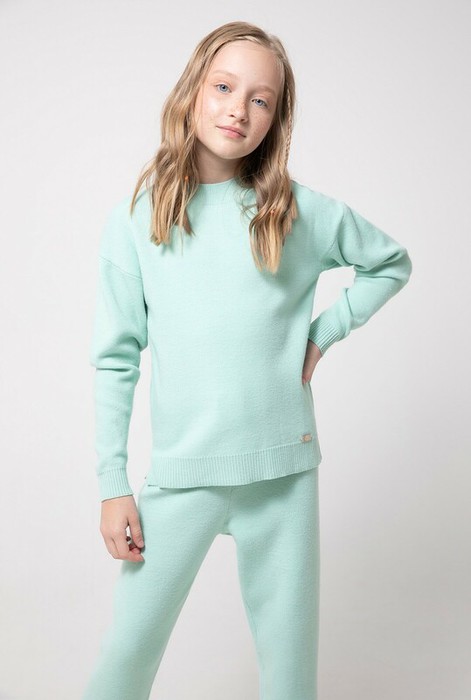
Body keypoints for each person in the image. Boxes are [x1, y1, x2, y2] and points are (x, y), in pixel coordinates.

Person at [82, 20, 412, 700]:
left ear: (276, 118)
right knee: (124, 662)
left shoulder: (294, 212)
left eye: (261, 100)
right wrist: (114, 484)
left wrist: (324, 332)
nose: (239, 109)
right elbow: (115, 359)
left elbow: (390, 262)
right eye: (224, 88)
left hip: (284, 474)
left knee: (289, 676)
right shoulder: (136, 220)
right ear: (192, 92)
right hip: (182, 478)